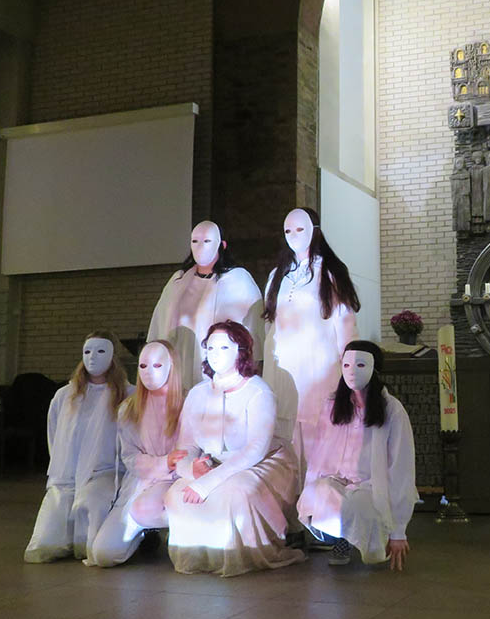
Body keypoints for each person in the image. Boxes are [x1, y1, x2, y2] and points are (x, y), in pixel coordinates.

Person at [163, 321, 305, 576]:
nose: (215, 353)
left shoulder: (258, 392)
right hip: (212, 462)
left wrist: (207, 482)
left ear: (241, 351)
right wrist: (191, 471)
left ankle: (245, 553)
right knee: (177, 493)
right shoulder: (198, 394)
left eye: (224, 347)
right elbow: (186, 445)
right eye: (211, 347)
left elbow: (255, 449)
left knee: (235, 492)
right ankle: (202, 556)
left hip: (261, 462)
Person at [296, 341, 417, 569]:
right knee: (318, 493)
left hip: (371, 485)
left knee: (361, 506)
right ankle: (341, 538)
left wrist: (399, 531)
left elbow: (401, 468)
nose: (352, 371)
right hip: (338, 480)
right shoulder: (332, 406)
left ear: (374, 369)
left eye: (360, 364)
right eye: (347, 364)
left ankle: (373, 537)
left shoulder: (392, 410)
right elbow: (320, 451)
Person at [25, 330, 133, 563]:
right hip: (67, 475)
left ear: (113, 356)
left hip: (105, 473)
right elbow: (54, 433)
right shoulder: (65, 396)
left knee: (90, 506)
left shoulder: (127, 394)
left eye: (101, 350)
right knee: (45, 540)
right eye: (87, 351)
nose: (93, 357)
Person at [261, 207, 360, 460]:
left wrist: (352, 372)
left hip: (317, 375)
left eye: (300, 228)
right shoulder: (277, 276)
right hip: (281, 374)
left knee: (318, 450)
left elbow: (345, 326)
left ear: (314, 231)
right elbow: (269, 326)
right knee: (283, 448)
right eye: (288, 230)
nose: (293, 235)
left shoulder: (330, 274)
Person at [87, 340, 187, 568]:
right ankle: (145, 533)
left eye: (158, 365)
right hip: (140, 483)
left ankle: (173, 528)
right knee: (104, 554)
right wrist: (162, 462)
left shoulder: (188, 403)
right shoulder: (128, 409)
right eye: (143, 366)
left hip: (177, 481)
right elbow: (130, 457)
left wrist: (173, 465)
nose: (149, 372)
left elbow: (189, 451)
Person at [148, 220, 263, 385]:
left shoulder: (237, 280)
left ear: (221, 245)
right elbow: (161, 323)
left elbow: (253, 327)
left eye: (207, 241)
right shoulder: (178, 281)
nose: (200, 246)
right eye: (195, 241)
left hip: (219, 368)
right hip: (181, 362)